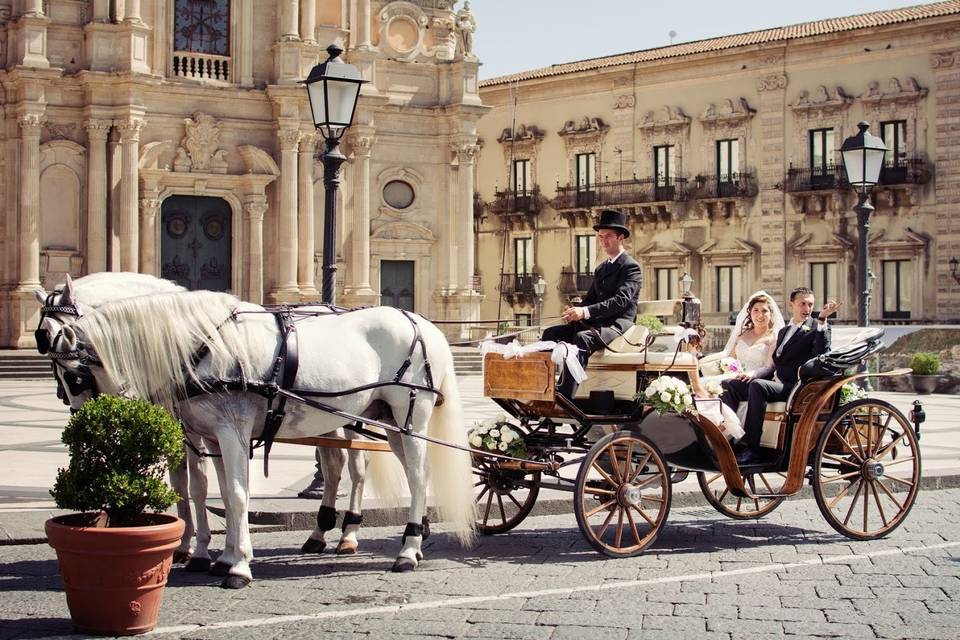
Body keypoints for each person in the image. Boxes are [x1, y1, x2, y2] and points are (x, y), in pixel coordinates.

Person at [720, 287, 839, 465]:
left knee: (758, 386)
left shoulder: (816, 328)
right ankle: (729, 438)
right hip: (775, 381)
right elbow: (773, 364)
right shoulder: (783, 331)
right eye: (802, 304)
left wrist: (822, 319)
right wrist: (751, 374)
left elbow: (821, 353)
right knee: (731, 384)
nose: (807, 308)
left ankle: (753, 448)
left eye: (810, 304)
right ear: (792, 305)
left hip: (795, 387)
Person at [542, 209, 642, 399]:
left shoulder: (631, 267)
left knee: (582, 338)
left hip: (618, 325)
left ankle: (564, 398)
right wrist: (574, 312)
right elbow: (590, 300)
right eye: (601, 237)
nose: (604, 241)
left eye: (608, 237)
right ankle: (541, 387)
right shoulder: (601, 269)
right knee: (550, 334)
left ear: (621, 237)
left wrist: (585, 312)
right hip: (597, 324)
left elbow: (620, 301)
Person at [691, 291, 786, 412]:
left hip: (754, 379)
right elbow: (730, 358)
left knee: (726, 384)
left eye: (764, 311)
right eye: (756, 310)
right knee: (703, 383)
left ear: (770, 314)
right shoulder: (742, 334)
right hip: (736, 373)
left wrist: (752, 374)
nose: (760, 315)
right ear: (750, 313)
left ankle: (726, 423)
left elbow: (769, 367)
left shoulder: (774, 337)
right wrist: (725, 366)